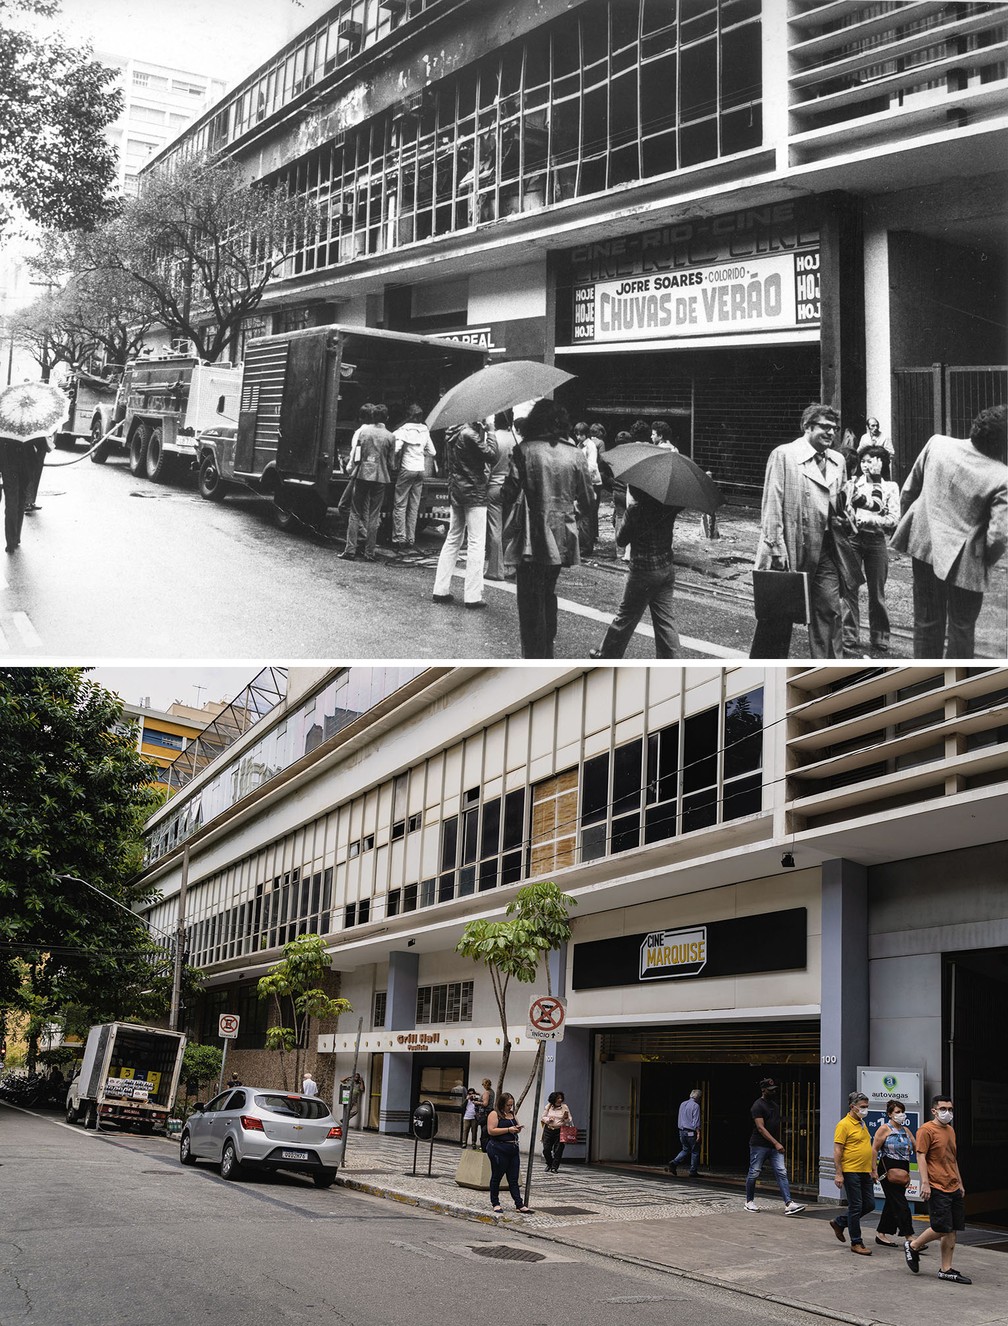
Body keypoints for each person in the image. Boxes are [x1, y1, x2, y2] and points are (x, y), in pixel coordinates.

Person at [890, 404, 1007, 658]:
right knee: (962, 629)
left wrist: (914, 530)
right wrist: (986, 559)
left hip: (925, 547)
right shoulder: (1002, 476)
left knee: (926, 622)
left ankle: (923, 679)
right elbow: (999, 536)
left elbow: (908, 492)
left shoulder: (937, 444)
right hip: (967, 562)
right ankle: (957, 681)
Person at [750, 403, 846, 659]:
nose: (831, 433)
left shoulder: (838, 460)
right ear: (807, 427)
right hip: (790, 546)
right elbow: (772, 502)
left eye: (834, 429)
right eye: (825, 427)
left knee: (829, 610)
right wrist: (775, 546)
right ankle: (764, 671)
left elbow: (840, 502)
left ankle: (826, 670)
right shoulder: (784, 455)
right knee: (778, 616)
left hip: (826, 549)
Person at [501, 398, 594, 657]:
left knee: (529, 599)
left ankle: (534, 655)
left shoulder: (525, 450)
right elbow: (588, 501)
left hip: (531, 538)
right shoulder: (575, 453)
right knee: (548, 593)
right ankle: (547, 650)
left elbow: (508, 494)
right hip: (562, 536)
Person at [589, 486, 683, 659]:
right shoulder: (668, 507)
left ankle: (607, 655)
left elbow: (621, 540)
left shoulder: (635, 511)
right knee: (665, 620)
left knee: (625, 617)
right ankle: (672, 660)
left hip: (643, 571)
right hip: (666, 568)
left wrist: (621, 519)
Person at [839, 445, 900, 654]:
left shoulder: (890, 486)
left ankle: (880, 636)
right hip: (854, 539)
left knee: (877, 591)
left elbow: (892, 518)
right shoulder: (853, 483)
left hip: (876, 540)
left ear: (881, 463)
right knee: (849, 588)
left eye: (872, 460)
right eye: (864, 461)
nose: (867, 465)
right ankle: (848, 634)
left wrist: (869, 518)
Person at [904, 1094, 970, 1284]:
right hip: (937, 1185)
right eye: (943, 1109)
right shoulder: (926, 1130)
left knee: (953, 1228)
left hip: (953, 1185)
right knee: (942, 1227)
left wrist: (960, 1182)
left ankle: (946, 1269)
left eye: (950, 1109)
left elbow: (952, 1159)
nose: (947, 1113)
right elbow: (921, 1156)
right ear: (934, 1110)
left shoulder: (950, 1130)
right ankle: (914, 1245)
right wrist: (925, 1182)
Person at [432, 418, 497, 608]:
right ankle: (473, 595)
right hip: (474, 491)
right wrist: (491, 432)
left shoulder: (452, 432)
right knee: (477, 542)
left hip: (456, 490)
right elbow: (492, 456)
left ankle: (440, 589)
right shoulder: (469, 434)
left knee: (453, 538)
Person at [745, 1077, 806, 1215]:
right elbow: (761, 1128)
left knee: (781, 1172)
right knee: (754, 1172)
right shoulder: (757, 1106)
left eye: (774, 1090)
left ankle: (789, 1203)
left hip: (773, 1145)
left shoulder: (775, 1105)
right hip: (759, 1144)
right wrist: (776, 1143)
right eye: (770, 1090)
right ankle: (749, 1201)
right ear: (763, 1090)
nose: (773, 1092)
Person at [341, 404, 395, 561]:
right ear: (387, 418)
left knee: (355, 513)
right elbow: (392, 464)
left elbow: (356, 457)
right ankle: (369, 553)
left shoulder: (363, 432)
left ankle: (350, 550)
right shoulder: (390, 436)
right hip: (380, 477)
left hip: (362, 475)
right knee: (373, 515)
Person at [829, 1091, 877, 1256]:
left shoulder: (862, 1123)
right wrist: (838, 1173)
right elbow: (837, 1150)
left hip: (864, 1171)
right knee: (856, 1206)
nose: (865, 1110)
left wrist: (873, 1169)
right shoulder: (843, 1125)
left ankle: (840, 1222)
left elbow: (867, 1148)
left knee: (869, 1204)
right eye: (862, 1107)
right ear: (852, 1107)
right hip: (851, 1171)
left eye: (866, 1107)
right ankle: (856, 1242)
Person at [872, 1097, 917, 1248]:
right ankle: (909, 1236)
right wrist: (873, 1170)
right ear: (890, 1114)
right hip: (888, 1168)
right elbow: (874, 1149)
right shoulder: (884, 1129)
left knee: (892, 1203)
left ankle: (881, 1233)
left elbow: (917, 1148)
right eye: (898, 1112)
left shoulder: (906, 1130)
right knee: (901, 1204)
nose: (901, 1114)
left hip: (903, 1169)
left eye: (902, 1111)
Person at [391, 404, 436, 551]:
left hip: (406, 469)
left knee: (400, 504)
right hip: (420, 471)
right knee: (414, 505)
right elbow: (433, 451)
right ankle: (411, 538)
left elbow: (396, 448)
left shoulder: (403, 430)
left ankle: (400, 537)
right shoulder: (424, 430)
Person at [486, 1091, 532, 1213]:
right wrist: (508, 1130)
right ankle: (495, 1203)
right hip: (498, 1148)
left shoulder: (512, 1114)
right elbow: (491, 1130)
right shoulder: (495, 1114)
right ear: (502, 1104)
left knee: (513, 1177)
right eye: (508, 1105)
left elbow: (514, 1127)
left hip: (512, 1148)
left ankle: (519, 1204)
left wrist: (517, 1129)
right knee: (497, 1176)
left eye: (511, 1105)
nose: (510, 1107)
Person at [484, 413, 516, 581]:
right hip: (512, 488)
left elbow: (487, 466)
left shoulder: (493, 438)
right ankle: (510, 567)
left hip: (495, 487)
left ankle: (496, 570)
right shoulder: (516, 439)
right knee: (509, 529)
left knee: (494, 529)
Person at [0, 436, 34, 553]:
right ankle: (16, 536)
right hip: (27, 462)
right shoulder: (32, 419)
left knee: (11, 501)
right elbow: (42, 444)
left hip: (7, 460)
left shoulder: (5, 420)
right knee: (21, 499)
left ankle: (10, 541)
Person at [667, 1087, 702, 1178]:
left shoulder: (683, 1104)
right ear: (698, 1098)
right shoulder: (696, 1106)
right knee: (695, 1151)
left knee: (685, 1149)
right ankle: (693, 1171)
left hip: (682, 1131)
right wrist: (698, 1133)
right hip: (691, 1132)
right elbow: (696, 1121)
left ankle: (674, 1163)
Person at [539, 1089, 573, 1173]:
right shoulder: (548, 1106)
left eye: (561, 1098)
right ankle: (549, 1164)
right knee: (546, 1149)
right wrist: (548, 1119)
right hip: (548, 1130)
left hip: (560, 1131)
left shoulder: (564, 1107)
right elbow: (543, 1117)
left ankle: (554, 1167)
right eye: (558, 1098)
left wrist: (565, 1119)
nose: (560, 1100)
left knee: (558, 1150)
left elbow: (570, 1119)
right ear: (553, 1100)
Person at [478, 1077, 495, 1151]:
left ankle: (483, 1147)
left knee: (483, 1130)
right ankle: (487, 1146)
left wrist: (476, 1102)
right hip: (490, 1112)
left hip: (484, 1113)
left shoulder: (486, 1092)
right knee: (487, 1130)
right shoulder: (492, 1092)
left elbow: (485, 1104)